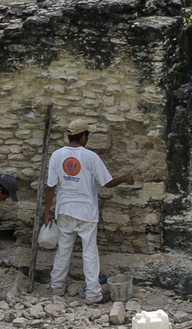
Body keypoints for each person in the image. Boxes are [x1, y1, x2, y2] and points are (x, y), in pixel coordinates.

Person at [42, 122, 131, 303]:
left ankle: (57, 289)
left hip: (64, 211)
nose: (88, 139)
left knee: (63, 251)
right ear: (83, 137)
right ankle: (93, 295)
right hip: (86, 213)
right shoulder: (91, 157)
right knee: (89, 253)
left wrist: (47, 212)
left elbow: (50, 187)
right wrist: (124, 178)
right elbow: (107, 183)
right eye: (87, 136)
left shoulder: (57, 156)